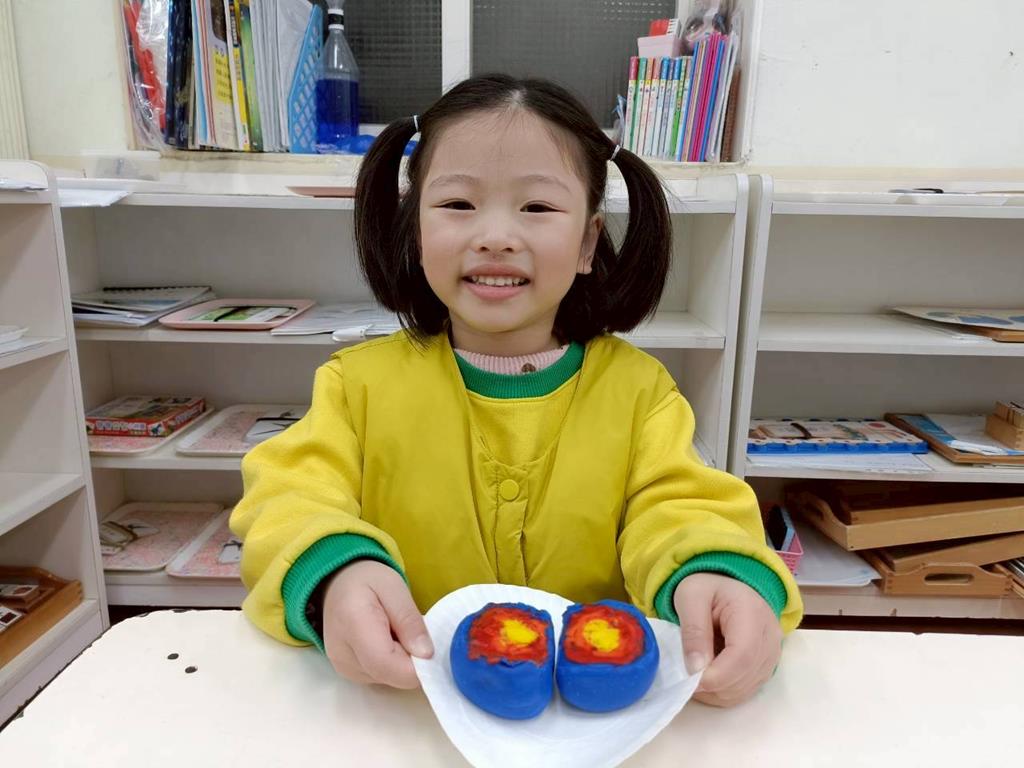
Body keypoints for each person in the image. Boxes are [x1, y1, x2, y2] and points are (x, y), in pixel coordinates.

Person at [230, 74, 802, 707]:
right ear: (415, 231)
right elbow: (291, 496)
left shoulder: (640, 393)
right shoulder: (355, 385)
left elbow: (683, 506)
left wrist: (716, 572)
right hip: (404, 700)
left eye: (537, 208)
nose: (496, 236)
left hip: (592, 717)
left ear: (587, 242)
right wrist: (333, 571)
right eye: (458, 204)